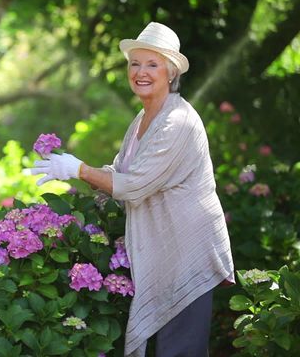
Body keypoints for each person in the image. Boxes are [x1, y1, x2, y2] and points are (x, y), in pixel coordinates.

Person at [30, 22, 234, 356]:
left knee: (179, 350)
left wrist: (79, 168)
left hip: (187, 251)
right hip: (168, 247)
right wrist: (77, 172)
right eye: (134, 63)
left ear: (170, 74)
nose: (140, 72)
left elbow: (135, 185)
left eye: (152, 64)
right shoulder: (142, 120)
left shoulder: (178, 122)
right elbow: (121, 172)